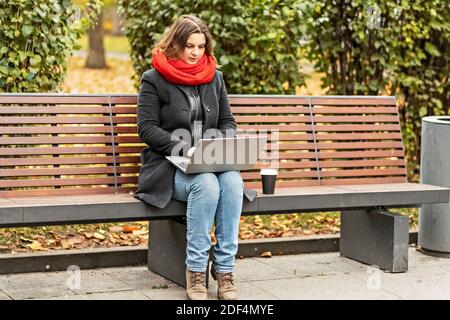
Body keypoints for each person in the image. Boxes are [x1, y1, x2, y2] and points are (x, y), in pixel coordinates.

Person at [134, 15, 255, 300]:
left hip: (210, 161)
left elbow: (227, 121)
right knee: (207, 185)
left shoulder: (215, 77)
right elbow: (146, 128)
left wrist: (222, 143)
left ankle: (224, 269)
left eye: (201, 46)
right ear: (176, 43)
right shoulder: (153, 79)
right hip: (168, 166)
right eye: (189, 45)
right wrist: (182, 149)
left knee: (234, 182)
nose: (195, 53)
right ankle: (197, 270)